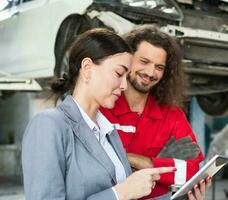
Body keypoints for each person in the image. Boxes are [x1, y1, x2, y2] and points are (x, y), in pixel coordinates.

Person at [22, 28, 178, 200]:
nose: (124, 85)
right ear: (87, 68)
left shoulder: (109, 133)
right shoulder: (49, 125)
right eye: (119, 74)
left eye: (126, 76)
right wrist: (120, 193)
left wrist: (177, 197)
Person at [100, 25, 205, 199]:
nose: (150, 72)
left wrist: (132, 159)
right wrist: (163, 166)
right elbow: (92, 168)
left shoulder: (172, 114)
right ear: (127, 59)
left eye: (159, 67)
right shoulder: (103, 106)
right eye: (144, 62)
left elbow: (191, 172)